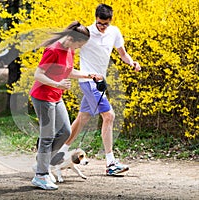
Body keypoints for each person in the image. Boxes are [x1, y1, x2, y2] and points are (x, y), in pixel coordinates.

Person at [58, 4, 141, 176]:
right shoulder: (86, 34)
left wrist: (132, 62)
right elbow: (68, 48)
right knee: (109, 116)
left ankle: (58, 153)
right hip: (88, 82)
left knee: (82, 118)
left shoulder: (114, 32)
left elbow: (122, 53)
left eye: (106, 24)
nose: (102, 27)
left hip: (100, 82)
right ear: (95, 18)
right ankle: (111, 163)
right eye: (100, 23)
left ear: (111, 21)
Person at [30, 21, 102, 190]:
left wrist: (89, 75)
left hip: (56, 96)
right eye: (79, 44)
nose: (78, 48)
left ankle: (42, 163)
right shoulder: (53, 50)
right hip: (42, 97)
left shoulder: (69, 50)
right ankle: (40, 175)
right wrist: (57, 84)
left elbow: (68, 70)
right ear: (70, 38)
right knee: (47, 136)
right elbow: (38, 74)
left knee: (65, 132)